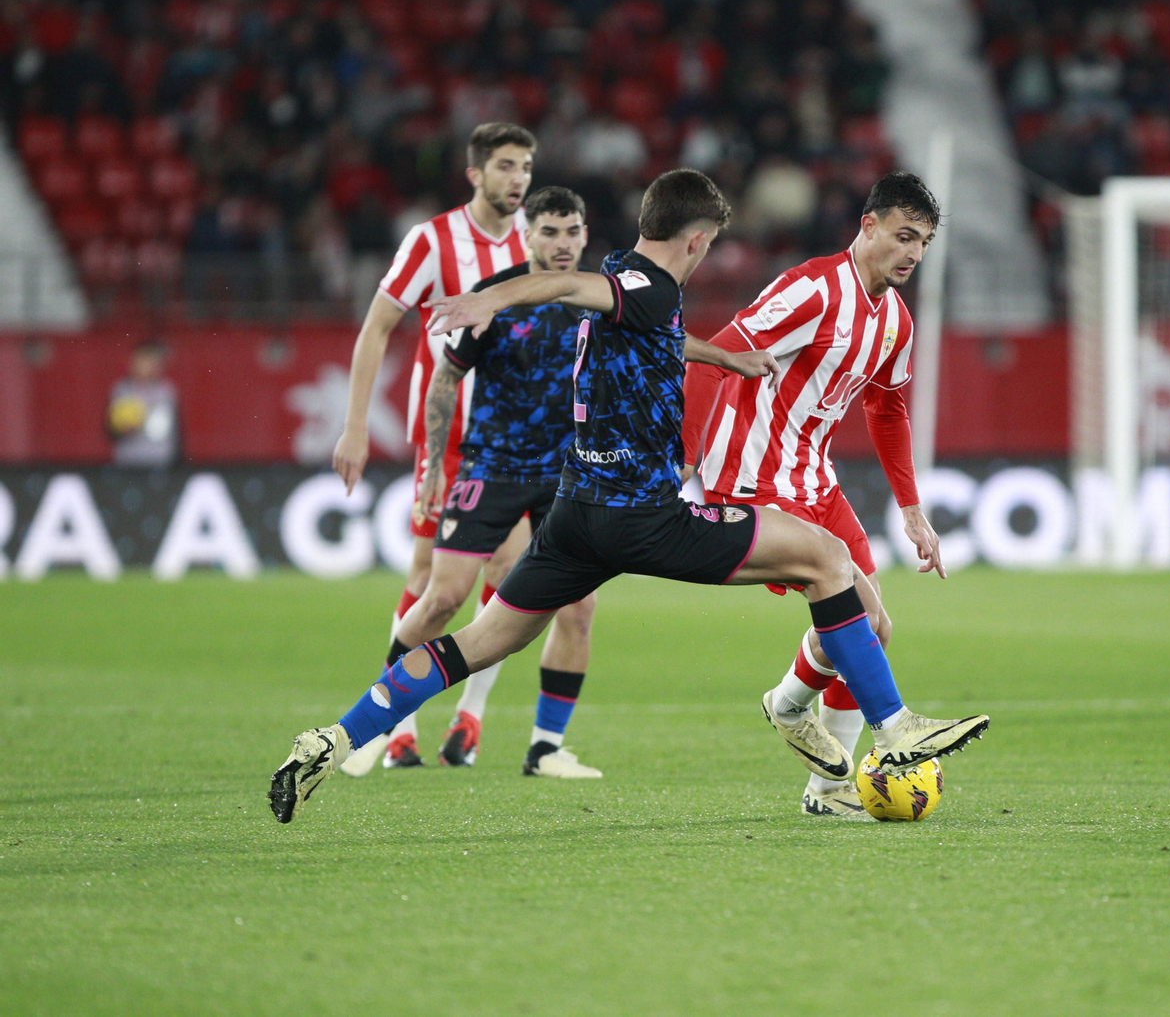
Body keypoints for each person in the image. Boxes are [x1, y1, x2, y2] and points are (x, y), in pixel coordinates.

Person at [269, 169, 989, 824]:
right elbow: (567, 287)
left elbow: (651, 333)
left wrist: (723, 355)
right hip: (642, 518)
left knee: (477, 642)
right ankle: (894, 727)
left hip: (572, 516)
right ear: (699, 241)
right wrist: (488, 297)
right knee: (827, 561)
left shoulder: (633, 281)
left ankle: (334, 738)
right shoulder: (646, 285)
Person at [345, 185, 788, 778]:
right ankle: (389, 721)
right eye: (549, 231)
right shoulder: (510, 297)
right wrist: (432, 465)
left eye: (572, 231)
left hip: (568, 473)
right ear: (526, 235)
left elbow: (660, 338)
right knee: (446, 597)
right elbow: (447, 378)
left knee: (570, 612)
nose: (562, 243)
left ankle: (541, 745)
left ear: (584, 235)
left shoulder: (603, 296)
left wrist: (725, 358)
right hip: (494, 469)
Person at [680, 171, 946, 820]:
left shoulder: (896, 322)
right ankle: (810, 729)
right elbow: (713, 355)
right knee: (857, 620)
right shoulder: (811, 289)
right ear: (869, 226)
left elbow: (887, 409)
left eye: (925, 242)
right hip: (752, 476)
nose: (912, 253)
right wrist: (676, 466)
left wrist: (912, 509)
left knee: (875, 629)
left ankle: (813, 759)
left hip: (814, 479)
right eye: (904, 235)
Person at [330, 122, 536, 771]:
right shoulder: (433, 240)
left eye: (525, 166)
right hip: (446, 439)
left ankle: (470, 718)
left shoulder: (541, 239)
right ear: (475, 174)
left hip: (513, 441)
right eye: (505, 166)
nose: (518, 179)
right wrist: (357, 426)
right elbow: (377, 328)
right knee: (432, 584)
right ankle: (397, 723)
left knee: (508, 577)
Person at [108, 342, 179, 467]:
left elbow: (176, 430)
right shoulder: (122, 391)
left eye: (152, 362)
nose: (147, 366)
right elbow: (109, 429)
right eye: (143, 361)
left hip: (161, 461)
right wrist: (122, 428)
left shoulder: (166, 391)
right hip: (130, 461)